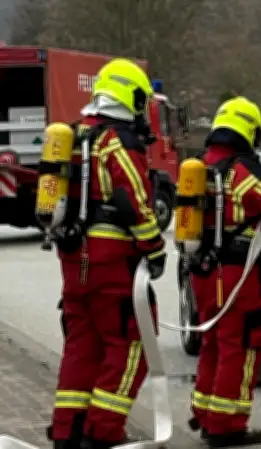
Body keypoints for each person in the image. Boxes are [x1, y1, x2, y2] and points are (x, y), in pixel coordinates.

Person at [47, 58, 166, 449]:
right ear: (130, 97)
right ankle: (102, 434)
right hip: (112, 263)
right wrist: (155, 247)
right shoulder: (118, 142)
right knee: (132, 346)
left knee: (83, 346)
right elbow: (133, 200)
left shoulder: (77, 135)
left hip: (74, 261)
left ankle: (68, 431)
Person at [187, 96, 261, 447]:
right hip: (236, 277)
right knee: (243, 344)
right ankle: (226, 427)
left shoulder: (198, 167)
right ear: (251, 131)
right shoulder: (247, 173)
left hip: (202, 274)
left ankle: (204, 413)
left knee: (213, 343)